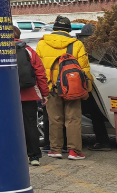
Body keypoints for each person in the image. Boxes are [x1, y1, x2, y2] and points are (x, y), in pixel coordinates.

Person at [36, 16, 92, 160]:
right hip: (72, 88)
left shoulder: (42, 44)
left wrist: (43, 89)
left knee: (54, 120)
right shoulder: (77, 44)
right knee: (73, 119)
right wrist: (87, 89)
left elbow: (38, 69)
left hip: (51, 88)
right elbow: (84, 70)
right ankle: (74, 151)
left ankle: (55, 150)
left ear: (54, 28)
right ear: (68, 30)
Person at [13, 26, 48, 166]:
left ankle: (13, 155)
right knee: (30, 125)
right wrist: (44, 94)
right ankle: (34, 156)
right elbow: (40, 73)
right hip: (29, 94)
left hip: (7, 97)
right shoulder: (29, 50)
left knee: (10, 126)